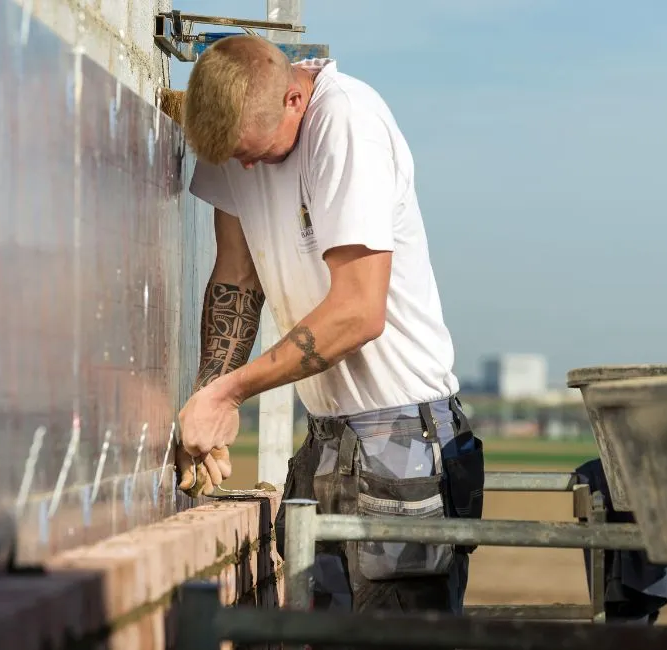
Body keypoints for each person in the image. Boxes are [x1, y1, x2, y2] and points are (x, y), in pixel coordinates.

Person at [173, 33, 485, 615]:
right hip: (325, 435)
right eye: (233, 157)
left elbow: (358, 313)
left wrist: (233, 390)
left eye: (256, 153)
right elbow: (237, 278)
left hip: (404, 442)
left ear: (294, 99)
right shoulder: (240, 135)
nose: (245, 167)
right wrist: (208, 398)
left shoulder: (348, 124)